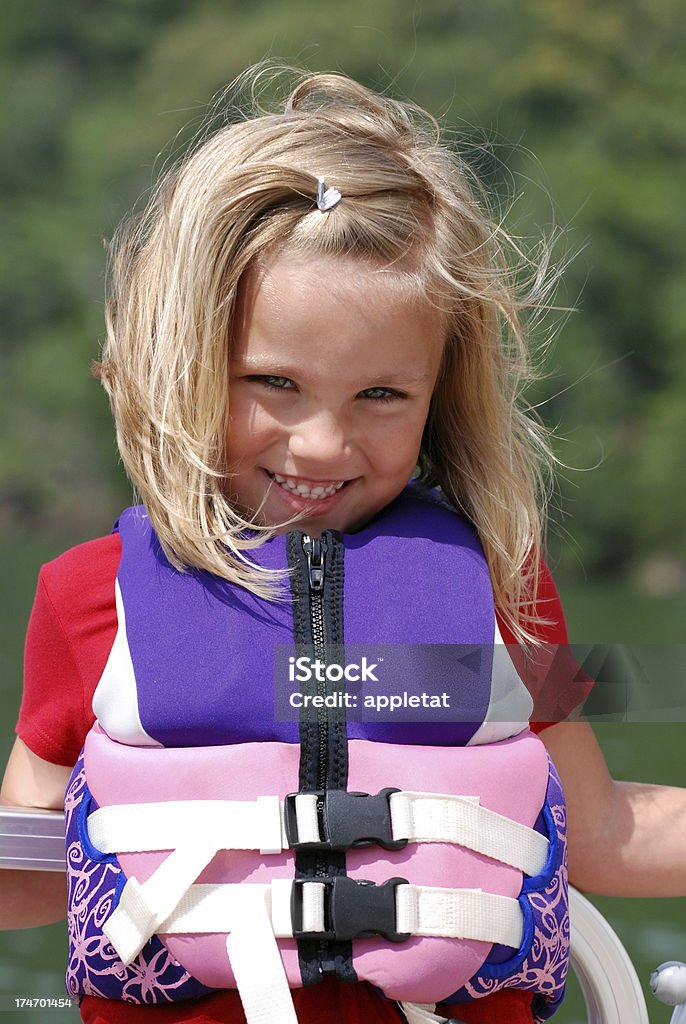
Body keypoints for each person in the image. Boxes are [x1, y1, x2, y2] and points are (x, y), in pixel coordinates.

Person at [2, 67, 686, 1024]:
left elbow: (602, 830)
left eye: (380, 396)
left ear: (438, 398)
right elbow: (29, 872)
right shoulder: (88, 597)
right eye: (273, 383)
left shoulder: (501, 585)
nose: (322, 443)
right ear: (184, 361)